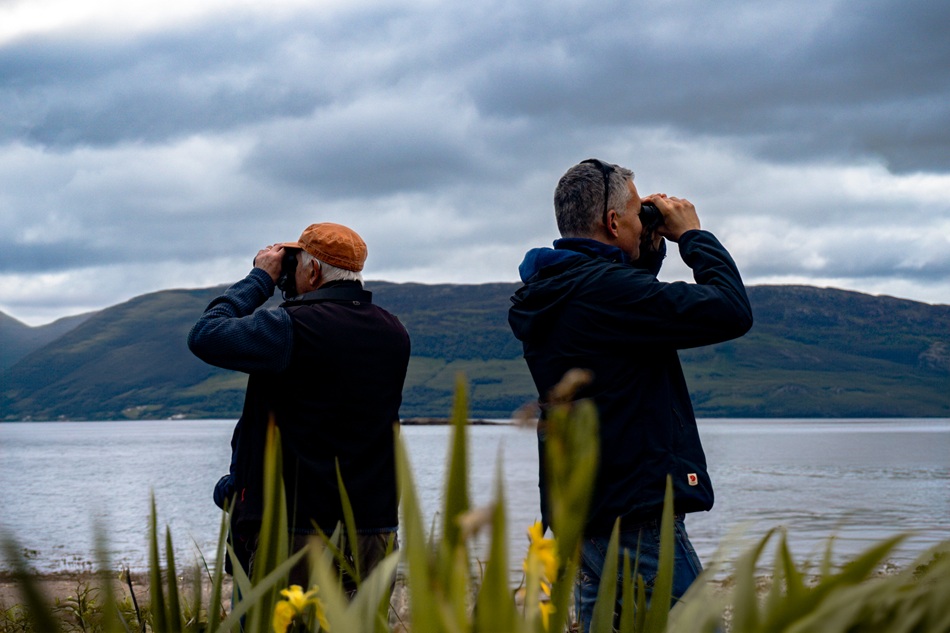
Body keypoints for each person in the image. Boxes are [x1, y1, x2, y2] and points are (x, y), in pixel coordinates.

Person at [507, 159, 753, 629]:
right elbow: (730, 310)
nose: (645, 220)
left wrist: (647, 241)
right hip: (635, 516)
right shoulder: (608, 293)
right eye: (637, 214)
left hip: (583, 513)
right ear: (613, 221)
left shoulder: (553, 290)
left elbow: (630, 296)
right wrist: (693, 237)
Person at [188, 222, 411, 592]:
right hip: (374, 528)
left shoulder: (291, 328)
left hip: (293, 531)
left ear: (313, 270)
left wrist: (260, 278)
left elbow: (205, 334)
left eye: (295, 265)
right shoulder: (394, 332)